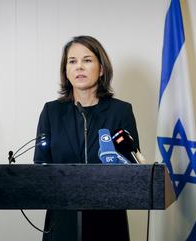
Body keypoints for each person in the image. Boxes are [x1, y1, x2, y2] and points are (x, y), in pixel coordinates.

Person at [33, 35, 140, 241]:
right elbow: (40, 167)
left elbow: (131, 169)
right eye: (72, 61)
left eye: (87, 60)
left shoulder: (120, 111)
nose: (79, 67)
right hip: (62, 219)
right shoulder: (51, 112)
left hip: (108, 221)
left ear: (101, 69)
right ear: (66, 71)